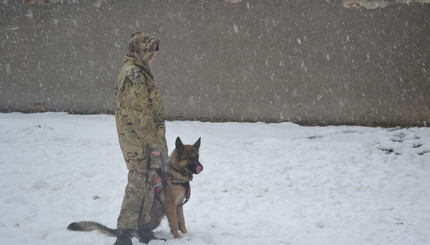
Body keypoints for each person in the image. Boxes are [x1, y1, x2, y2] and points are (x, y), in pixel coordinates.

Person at [114, 31, 168, 245]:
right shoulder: (133, 74)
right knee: (138, 183)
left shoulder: (138, 71)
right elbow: (140, 115)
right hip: (139, 142)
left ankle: (143, 228)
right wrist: (154, 144)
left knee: (147, 182)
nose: (154, 57)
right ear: (142, 52)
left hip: (142, 140)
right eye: (152, 52)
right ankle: (124, 233)